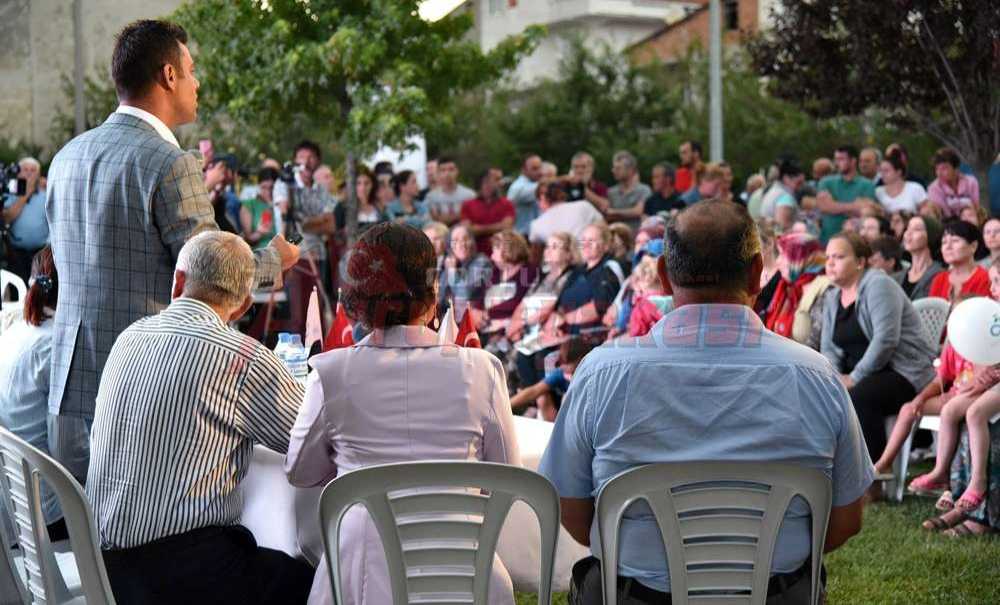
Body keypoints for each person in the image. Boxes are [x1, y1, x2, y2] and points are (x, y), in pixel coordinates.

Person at [539, 199, 871, 605]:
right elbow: (846, 520)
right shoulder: (816, 376)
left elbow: (573, 510)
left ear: (663, 275)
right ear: (755, 274)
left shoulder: (601, 373)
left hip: (634, 597)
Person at [44, 20, 298, 482]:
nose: (197, 82)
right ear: (168, 76)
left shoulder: (66, 156)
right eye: (192, 70)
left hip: (68, 380)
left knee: (97, 532)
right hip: (148, 384)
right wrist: (277, 259)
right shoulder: (170, 162)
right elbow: (215, 273)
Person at [284, 223, 520, 605]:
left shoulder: (330, 373)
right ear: (433, 292)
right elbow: (506, 478)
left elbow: (300, 471)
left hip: (360, 575)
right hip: (463, 571)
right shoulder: (482, 370)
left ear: (358, 299)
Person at [86, 231, 312, 603]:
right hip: (178, 574)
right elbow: (308, 441)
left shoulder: (130, 336)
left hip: (104, 564)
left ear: (178, 281)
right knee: (318, 582)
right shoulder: (243, 357)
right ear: (241, 307)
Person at [820, 232, 936, 471]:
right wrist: (833, 378)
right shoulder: (832, 296)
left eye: (839, 256)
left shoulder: (879, 285)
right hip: (865, 373)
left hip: (904, 371)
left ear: (861, 262)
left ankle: (871, 477)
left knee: (860, 397)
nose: (830, 263)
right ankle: (828, 467)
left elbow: (886, 340)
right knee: (819, 393)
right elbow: (829, 348)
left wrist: (853, 378)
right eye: (828, 257)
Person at [0, 246, 67, 541]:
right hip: (46, 512)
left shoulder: (15, 329)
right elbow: (70, 448)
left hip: (13, 501)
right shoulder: (56, 348)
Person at [510, 338, 599, 422]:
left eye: (565, 362)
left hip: (589, 416)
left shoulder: (593, 374)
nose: (562, 366)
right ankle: (555, 431)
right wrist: (506, 405)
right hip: (562, 415)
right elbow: (534, 391)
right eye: (560, 362)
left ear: (580, 359)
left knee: (567, 398)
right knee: (542, 397)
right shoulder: (561, 373)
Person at [557, 223, 622, 336]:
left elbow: (599, 306)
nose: (586, 244)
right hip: (565, 335)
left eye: (591, 240)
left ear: (605, 245)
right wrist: (556, 324)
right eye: (583, 239)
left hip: (591, 339)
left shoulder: (609, 268)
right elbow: (561, 302)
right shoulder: (577, 271)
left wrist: (563, 320)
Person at [763, 233, 826, 342]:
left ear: (799, 258)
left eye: (783, 255)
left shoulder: (823, 290)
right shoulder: (787, 286)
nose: (778, 261)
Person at [815, 145, 877, 242]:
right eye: (836, 159)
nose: (836, 163)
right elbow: (824, 207)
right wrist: (854, 206)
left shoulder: (867, 184)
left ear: (853, 161)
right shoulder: (826, 182)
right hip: (827, 240)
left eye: (841, 159)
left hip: (855, 242)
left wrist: (833, 205)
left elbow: (866, 211)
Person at [2, 157, 48, 284]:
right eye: (25, 169)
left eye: (33, 170)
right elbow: (7, 218)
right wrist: (26, 193)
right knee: (18, 289)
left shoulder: (46, 194)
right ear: (18, 173)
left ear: (38, 175)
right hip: (15, 255)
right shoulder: (9, 193)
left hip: (40, 255)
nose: (28, 173)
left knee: (38, 294)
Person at [482, 230, 539, 332]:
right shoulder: (495, 271)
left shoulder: (529, 272)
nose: (491, 256)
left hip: (516, 329)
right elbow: (480, 295)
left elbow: (519, 302)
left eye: (495, 251)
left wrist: (487, 313)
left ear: (508, 250)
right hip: (488, 327)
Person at [437, 224, 492, 319]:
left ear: (473, 242)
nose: (462, 243)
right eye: (456, 240)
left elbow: (465, 294)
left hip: (472, 323)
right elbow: (439, 299)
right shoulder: (451, 262)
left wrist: (451, 272)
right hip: (449, 322)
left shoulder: (482, 261)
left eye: (466, 238)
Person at [928, 220, 990, 301]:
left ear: (973, 246)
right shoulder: (939, 279)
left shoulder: (985, 279)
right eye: (944, 242)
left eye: (955, 241)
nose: (948, 247)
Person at [528, 179, 604, 246]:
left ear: (542, 198)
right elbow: (603, 228)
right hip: (590, 257)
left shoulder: (536, 225)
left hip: (563, 260)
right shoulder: (584, 206)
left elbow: (535, 257)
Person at [461, 170, 516, 256]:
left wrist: (478, 228)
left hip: (503, 253)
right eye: (486, 182)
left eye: (492, 182)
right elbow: (468, 230)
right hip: (476, 254)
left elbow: (507, 227)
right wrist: (498, 226)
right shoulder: (468, 205)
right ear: (480, 184)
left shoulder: (507, 204)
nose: (489, 185)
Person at [895, 215, 944, 300]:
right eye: (907, 228)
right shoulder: (897, 277)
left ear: (931, 235)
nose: (908, 234)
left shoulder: (941, 275)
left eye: (916, 229)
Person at [602, 151, 652, 231]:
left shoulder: (644, 189)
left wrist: (614, 212)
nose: (613, 170)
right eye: (614, 167)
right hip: (616, 238)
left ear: (630, 170)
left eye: (618, 168)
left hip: (638, 238)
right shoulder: (611, 192)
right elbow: (607, 215)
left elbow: (638, 211)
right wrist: (630, 213)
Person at [927, 147, 980, 219]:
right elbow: (944, 214)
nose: (939, 173)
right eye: (937, 169)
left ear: (956, 169)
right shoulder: (933, 188)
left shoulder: (971, 182)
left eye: (944, 168)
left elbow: (976, 208)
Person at [425, 156, 475, 226]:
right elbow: (431, 221)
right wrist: (460, 215)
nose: (447, 173)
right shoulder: (431, 197)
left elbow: (472, 220)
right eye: (443, 170)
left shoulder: (470, 195)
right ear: (438, 173)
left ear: (457, 171)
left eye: (451, 169)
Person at [239, 167, 278, 249]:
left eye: (272, 187)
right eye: (264, 187)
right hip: (259, 253)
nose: (268, 192)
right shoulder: (249, 204)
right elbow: (246, 241)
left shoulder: (281, 204)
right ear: (258, 186)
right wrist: (260, 232)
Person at [760, 159, 804, 232]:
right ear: (786, 178)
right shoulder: (785, 197)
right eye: (799, 183)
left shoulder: (772, 191)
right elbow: (781, 226)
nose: (801, 187)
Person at [506, 153, 543, 234]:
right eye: (534, 169)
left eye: (540, 167)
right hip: (522, 237)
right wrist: (565, 179)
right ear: (523, 170)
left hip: (532, 236)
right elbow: (542, 188)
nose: (539, 172)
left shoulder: (533, 183)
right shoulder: (517, 187)